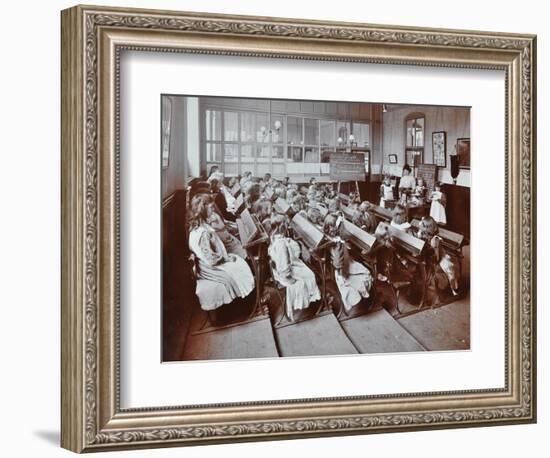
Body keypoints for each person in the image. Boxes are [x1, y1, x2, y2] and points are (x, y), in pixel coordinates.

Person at [188, 194, 255, 311]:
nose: (214, 209)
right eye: (211, 207)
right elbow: (210, 259)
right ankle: (248, 304)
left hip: (210, 262)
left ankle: (249, 300)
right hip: (211, 267)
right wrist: (226, 258)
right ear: (202, 210)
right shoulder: (202, 233)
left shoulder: (201, 226)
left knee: (239, 261)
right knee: (240, 266)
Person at [268, 215, 321, 321]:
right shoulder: (281, 244)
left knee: (308, 270)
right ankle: (307, 302)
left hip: (282, 269)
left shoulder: (275, 237)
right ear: (282, 227)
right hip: (285, 273)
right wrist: (288, 278)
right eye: (286, 224)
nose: (288, 226)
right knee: (311, 275)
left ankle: (310, 299)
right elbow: (283, 264)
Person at [323, 213, 373, 312]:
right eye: (330, 227)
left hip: (343, 263)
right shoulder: (337, 243)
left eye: (333, 227)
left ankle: (364, 297)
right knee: (365, 275)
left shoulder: (328, 237)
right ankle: (363, 300)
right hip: (342, 268)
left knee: (365, 272)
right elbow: (338, 262)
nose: (332, 229)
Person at [416, 216, 459, 296]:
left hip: (440, 256)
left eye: (425, 230)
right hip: (431, 256)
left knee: (449, 268)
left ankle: (454, 288)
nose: (423, 232)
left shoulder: (436, 239)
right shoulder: (423, 236)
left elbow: (437, 257)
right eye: (423, 230)